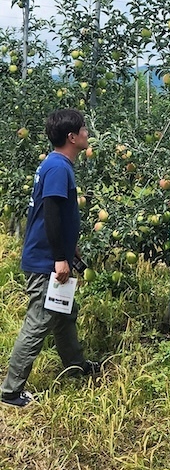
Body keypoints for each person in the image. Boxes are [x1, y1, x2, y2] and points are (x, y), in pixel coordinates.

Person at [1, 108, 100, 407]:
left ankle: (75, 365)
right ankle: (10, 390)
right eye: (83, 129)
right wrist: (59, 258)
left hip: (52, 255)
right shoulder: (58, 168)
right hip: (46, 260)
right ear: (72, 137)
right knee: (40, 320)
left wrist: (70, 250)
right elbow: (52, 214)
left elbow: (58, 217)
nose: (86, 132)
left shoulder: (56, 164)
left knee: (64, 313)